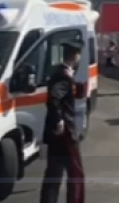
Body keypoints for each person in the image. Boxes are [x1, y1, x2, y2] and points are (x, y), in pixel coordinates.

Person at [40, 41, 86, 203]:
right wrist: (59, 120)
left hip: (56, 133)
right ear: (74, 56)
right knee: (76, 172)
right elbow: (54, 98)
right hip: (65, 132)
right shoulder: (63, 76)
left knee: (54, 171)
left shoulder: (62, 73)